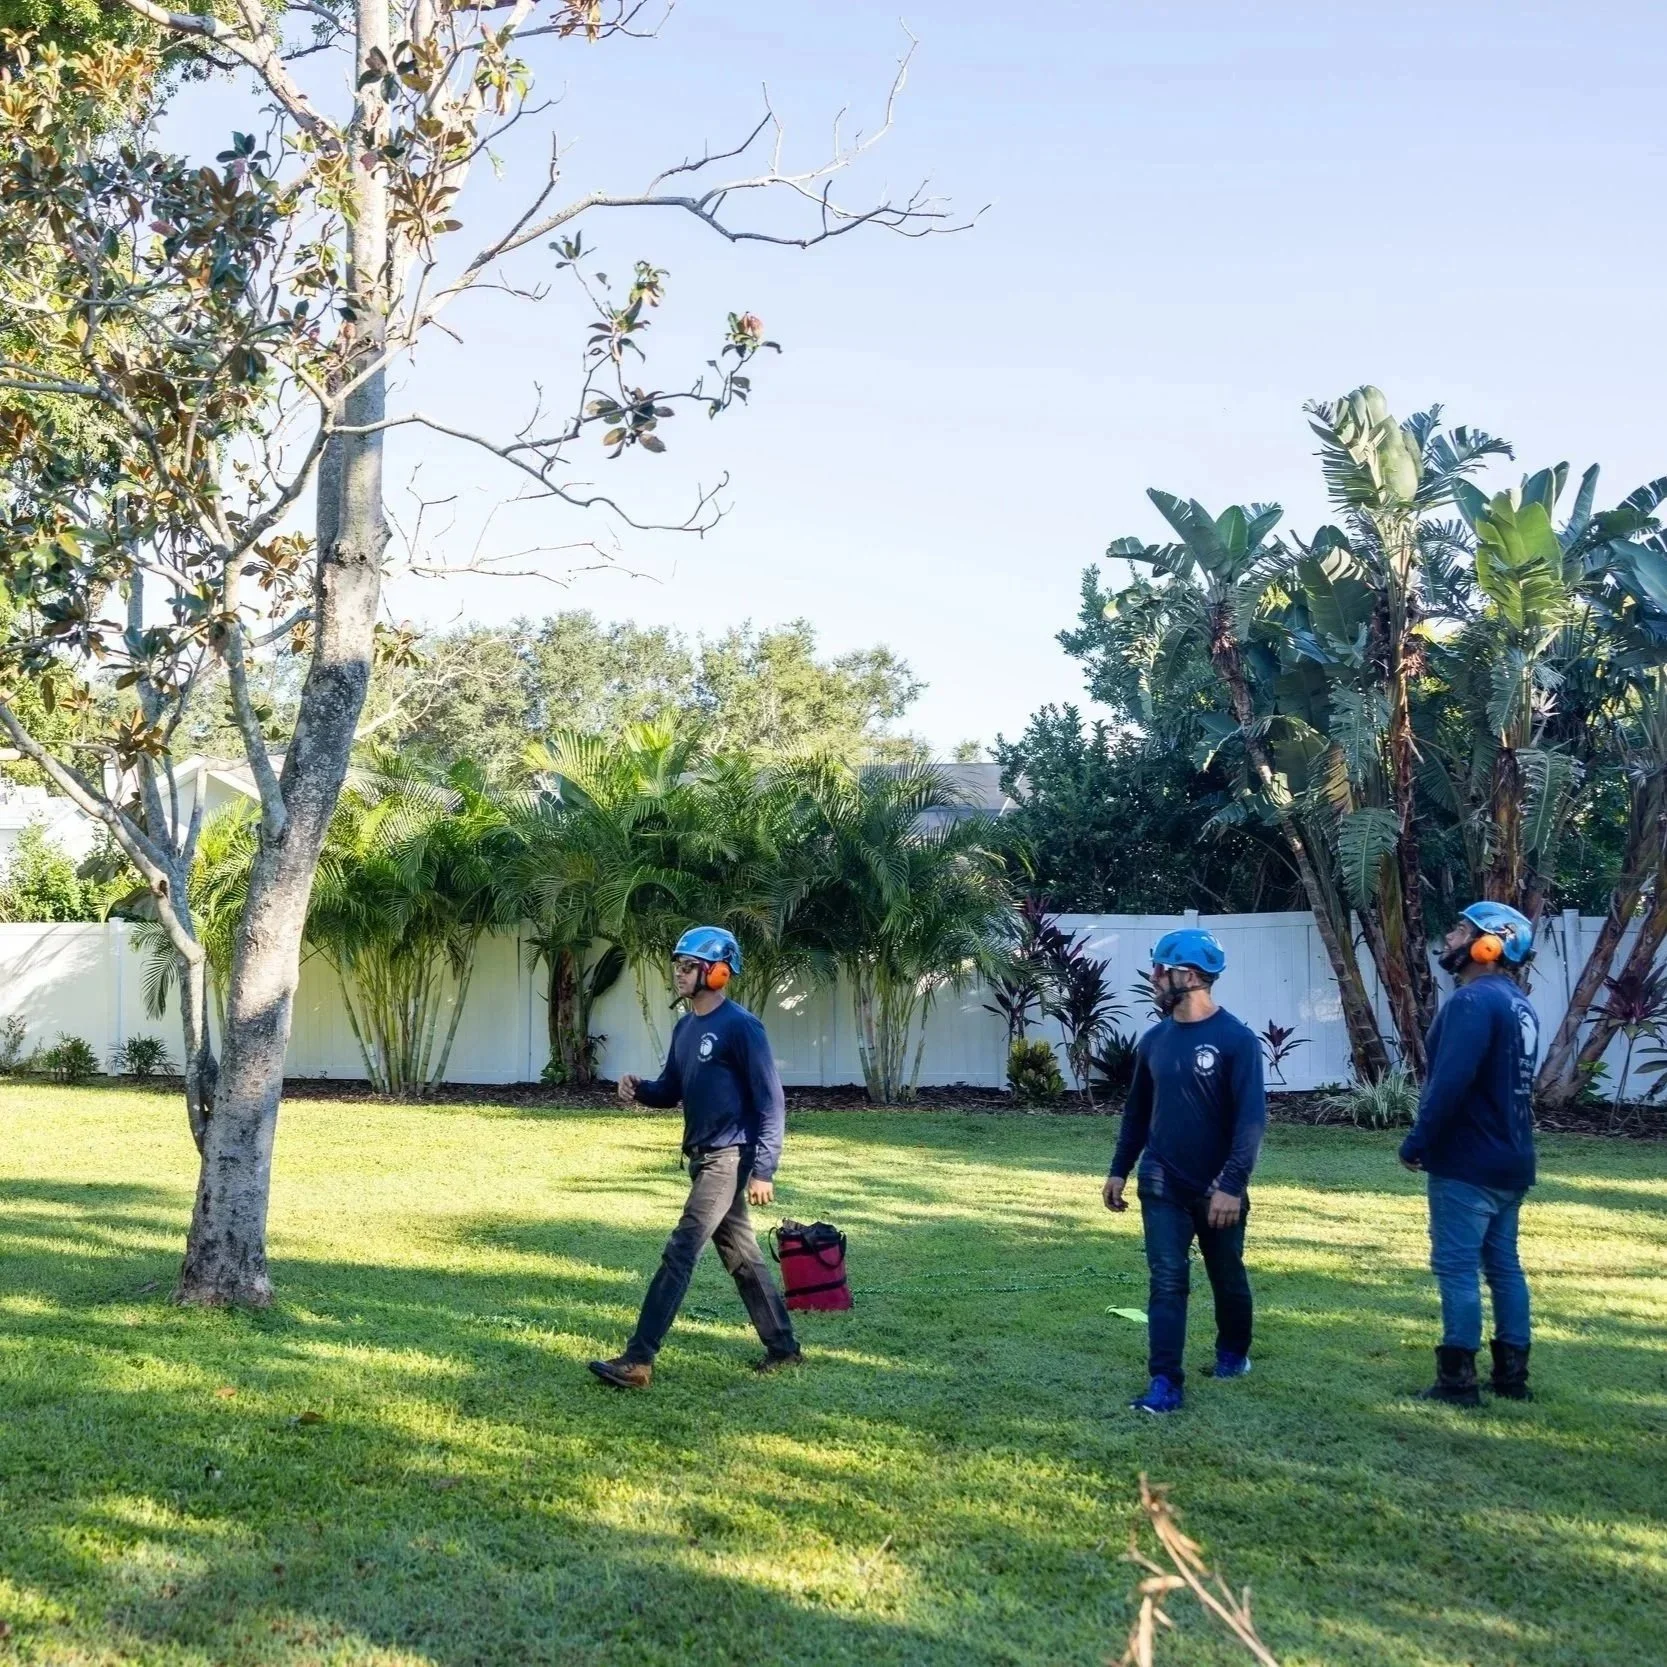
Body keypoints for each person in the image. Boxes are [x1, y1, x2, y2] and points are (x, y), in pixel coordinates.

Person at [588, 925, 801, 1389]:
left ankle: (638, 1359)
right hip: (702, 1157)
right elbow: (670, 1090)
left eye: (689, 967)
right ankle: (783, 1348)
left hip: (729, 1157)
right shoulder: (686, 1027)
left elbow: (771, 1102)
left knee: (681, 1250)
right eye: (677, 965)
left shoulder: (742, 1027)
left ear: (719, 973)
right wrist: (638, 1089)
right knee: (741, 1254)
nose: (679, 974)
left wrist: (763, 1169)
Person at [1103, 928, 1267, 1415]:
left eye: (1160, 968)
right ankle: (1165, 1383)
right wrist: (1118, 1170)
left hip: (1220, 1188)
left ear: (1189, 976)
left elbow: (1251, 1121)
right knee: (1167, 1280)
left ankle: (1233, 1354)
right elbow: (1136, 1113)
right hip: (1163, 1182)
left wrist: (1232, 1185)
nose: (1154, 977)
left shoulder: (1236, 1040)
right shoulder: (1155, 1041)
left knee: (1227, 1275)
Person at [1399, 901, 1538, 1407]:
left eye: (1462, 930)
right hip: (1513, 1157)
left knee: (1457, 1266)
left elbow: (1449, 1084)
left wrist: (1418, 1142)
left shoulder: (1472, 1002)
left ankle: (1457, 1381)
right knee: (1504, 1265)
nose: (1451, 938)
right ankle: (1512, 1376)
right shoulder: (1521, 1004)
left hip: (1468, 1161)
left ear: (1489, 946)